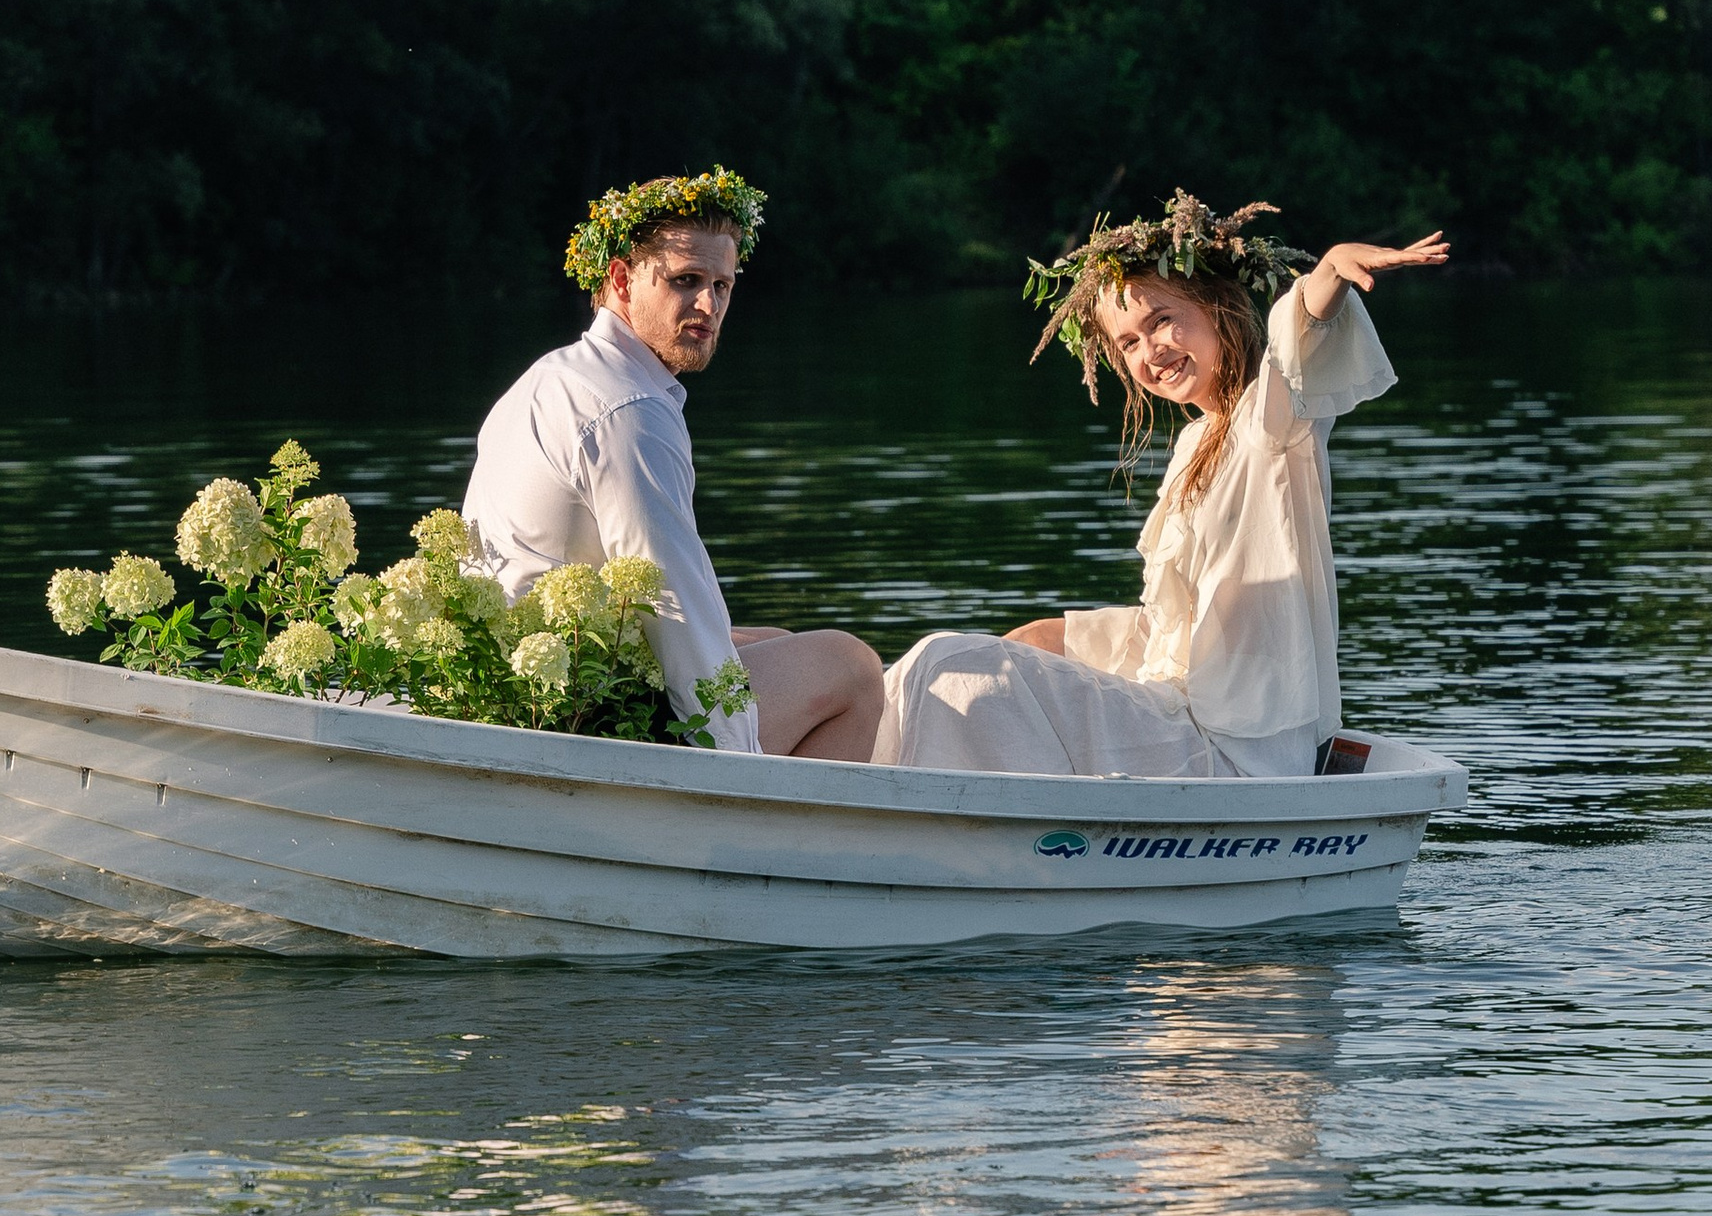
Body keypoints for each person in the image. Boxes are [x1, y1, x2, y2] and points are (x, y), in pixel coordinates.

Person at [874, 189, 1447, 781]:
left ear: (1219, 305)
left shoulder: (1270, 426)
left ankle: (913, 818)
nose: (1151, 351)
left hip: (1234, 747)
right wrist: (1057, 639)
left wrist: (1327, 274)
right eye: (1128, 342)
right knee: (962, 654)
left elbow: (1295, 343)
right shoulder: (1195, 444)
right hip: (1177, 711)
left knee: (956, 660)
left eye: (1162, 320)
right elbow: (1178, 620)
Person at [464, 170, 886, 761]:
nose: (709, 306)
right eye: (686, 281)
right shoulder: (629, 409)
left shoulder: (548, 377)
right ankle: (778, 840)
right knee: (850, 666)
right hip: (576, 714)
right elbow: (672, 599)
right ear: (621, 278)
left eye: (723, 284)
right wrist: (735, 762)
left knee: (778, 642)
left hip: (520, 679)